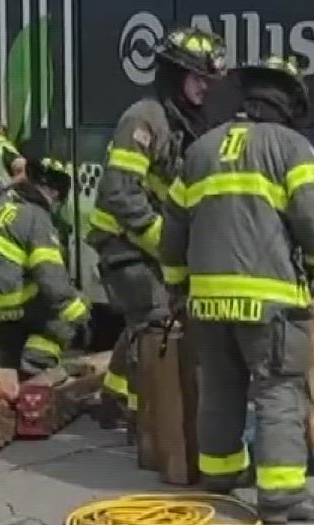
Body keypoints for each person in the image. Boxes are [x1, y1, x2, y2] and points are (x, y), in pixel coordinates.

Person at [163, 54, 314, 523]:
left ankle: (220, 474)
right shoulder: (292, 148)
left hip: (206, 302)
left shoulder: (201, 150)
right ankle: (281, 495)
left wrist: (180, 287)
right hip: (270, 302)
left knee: (220, 385)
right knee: (279, 390)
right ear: (292, 102)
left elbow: (173, 232)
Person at [88, 26, 227, 428]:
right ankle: (143, 413)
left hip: (149, 241)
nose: (204, 87)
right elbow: (119, 192)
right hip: (122, 239)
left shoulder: (186, 122)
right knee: (155, 317)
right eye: (197, 77)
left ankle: (113, 396)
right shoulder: (144, 118)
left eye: (208, 80)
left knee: (144, 318)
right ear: (173, 73)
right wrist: (165, 244)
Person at [0, 156, 89, 385]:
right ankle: (35, 366)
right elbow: (51, 282)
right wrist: (80, 314)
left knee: (3, 352)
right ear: (55, 194)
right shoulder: (38, 220)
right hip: (11, 309)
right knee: (67, 309)